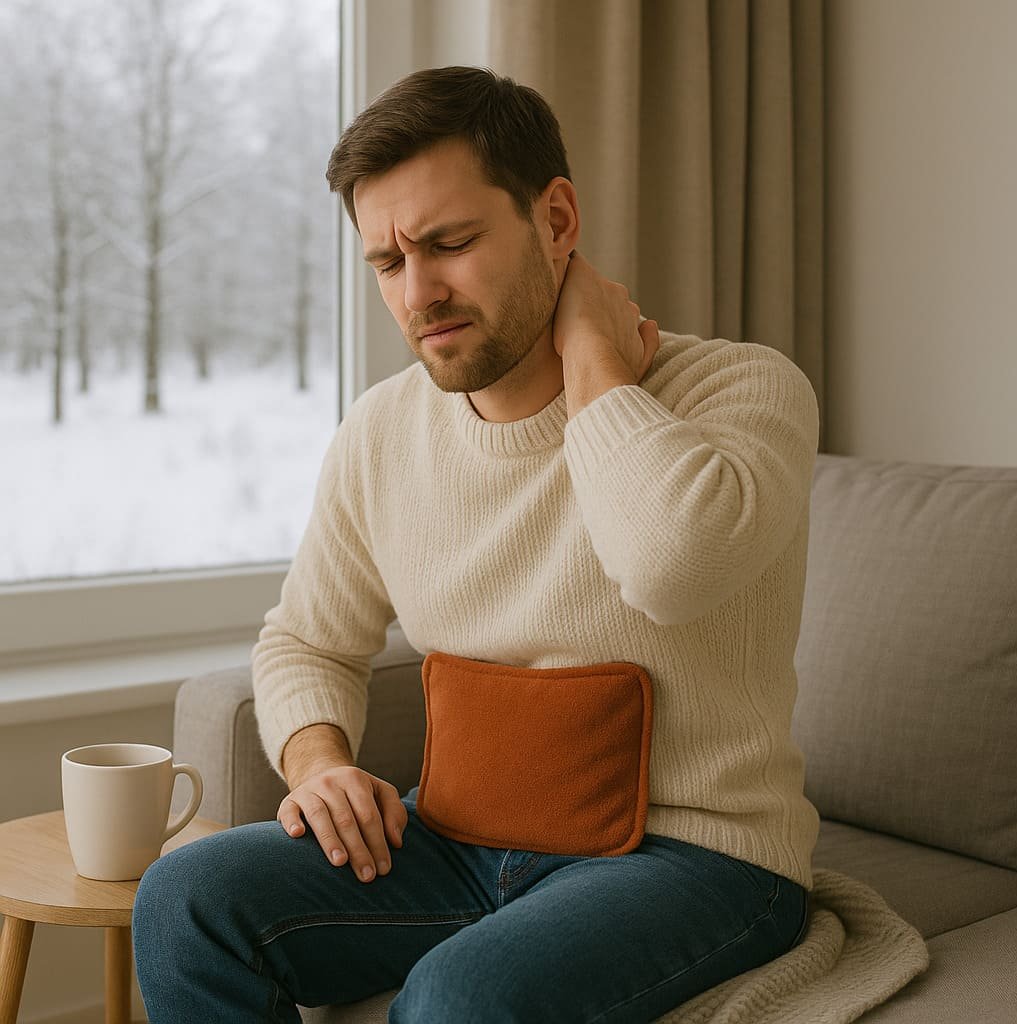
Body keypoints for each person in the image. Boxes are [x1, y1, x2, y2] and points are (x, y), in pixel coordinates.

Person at [133, 65, 820, 1024]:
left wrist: (595, 363)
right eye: (387, 262)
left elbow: (670, 566)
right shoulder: (382, 432)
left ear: (557, 220)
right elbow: (306, 640)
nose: (419, 293)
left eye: (450, 243)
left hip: (697, 857)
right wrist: (319, 760)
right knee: (183, 901)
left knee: (463, 997)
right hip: (458, 842)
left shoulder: (745, 390)